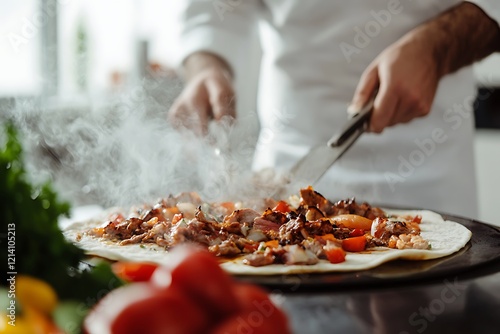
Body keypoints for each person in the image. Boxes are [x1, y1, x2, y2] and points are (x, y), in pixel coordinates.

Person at [169, 1, 500, 218]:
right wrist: (206, 67)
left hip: (429, 182)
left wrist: (436, 50)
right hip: (285, 180)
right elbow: (215, 10)